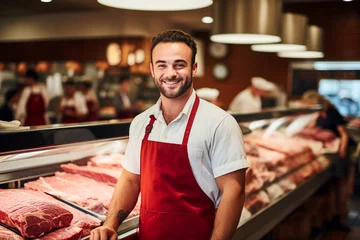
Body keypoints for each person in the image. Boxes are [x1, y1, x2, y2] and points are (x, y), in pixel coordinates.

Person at [90, 30, 248, 240]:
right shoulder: (141, 122)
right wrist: (111, 224)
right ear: (152, 70)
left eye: (179, 65)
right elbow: (130, 180)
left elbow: (233, 192)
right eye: (162, 65)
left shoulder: (219, 122)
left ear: (194, 68)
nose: (170, 73)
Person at [302, 90, 358, 232]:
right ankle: (330, 217)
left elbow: (344, 134)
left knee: (341, 185)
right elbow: (312, 128)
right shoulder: (318, 113)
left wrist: (342, 152)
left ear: (316, 103)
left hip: (343, 151)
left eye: (309, 104)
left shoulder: (332, 112)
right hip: (331, 151)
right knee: (332, 187)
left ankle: (340, 219)